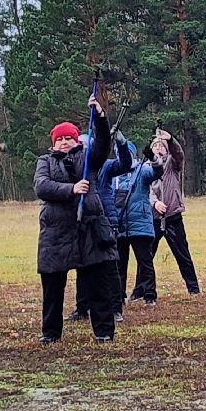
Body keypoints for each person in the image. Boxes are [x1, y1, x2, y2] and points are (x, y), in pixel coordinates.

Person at [35, 97, 120, 343]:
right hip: (55, 233)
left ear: (76, 140)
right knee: (52, 287)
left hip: (90, 229)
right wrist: (71, 189)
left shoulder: (88, 159)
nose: (64, 143)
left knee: (98, 285)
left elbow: (103, 144)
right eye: (59, 139)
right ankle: (50, 333)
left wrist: (101, 117)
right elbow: (42, 187)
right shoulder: (44, 161)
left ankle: (104, 331)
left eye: (68, 138)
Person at [68, 122, 134, 322]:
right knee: (81, 265)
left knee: (109, 265)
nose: (83, 148)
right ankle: (82, 308)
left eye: (86, 145)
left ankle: (115, 308)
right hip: (80, 220)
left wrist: (121, 145)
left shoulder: (103, 165)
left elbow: (124, 165)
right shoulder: (70, 167)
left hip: (104, 220)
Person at [149, 129, 201, 296]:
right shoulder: (145, 167)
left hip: (173, 217)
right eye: (155, 145)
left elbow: (179, 154)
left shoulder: (172, 164)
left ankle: (193, 289)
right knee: (146, 257)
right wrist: (155, 202)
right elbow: (145, 190)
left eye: (161, 145)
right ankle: (142, 290)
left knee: (182, 254)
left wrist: (170, 140)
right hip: (153, 219)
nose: (158, 148)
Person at [113, 143, 163, 308]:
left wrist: (153, 159)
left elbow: (157, 172)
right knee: (119, 265)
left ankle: (149, 295)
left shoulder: (141, 170)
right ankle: (119, 296)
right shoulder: (114, 174)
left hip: (140, 224)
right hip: (120, 225)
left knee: (145, 262)